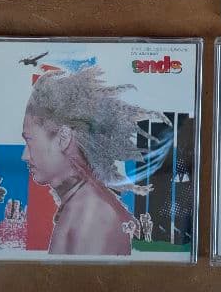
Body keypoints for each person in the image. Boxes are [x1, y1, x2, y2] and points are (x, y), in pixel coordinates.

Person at [21, 65, 166, 256]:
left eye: (29, 141)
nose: (24, 156)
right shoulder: (82, 206)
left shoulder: (93, 217)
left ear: (63, 138)